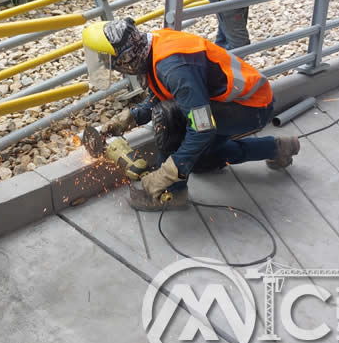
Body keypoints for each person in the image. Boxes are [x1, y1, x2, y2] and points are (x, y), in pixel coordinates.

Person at [83, 18, 300, 211]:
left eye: (112, 63)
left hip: (251, 107)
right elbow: (165, 93)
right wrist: (130, 118)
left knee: (170, 118)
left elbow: (202, 127)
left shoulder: (173, 68)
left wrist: (166, 173)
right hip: (227, 102)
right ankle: (278, 148)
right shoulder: (150, 45)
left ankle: (173, 193)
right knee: (201, 161)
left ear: (126, 58)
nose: (113, 69)